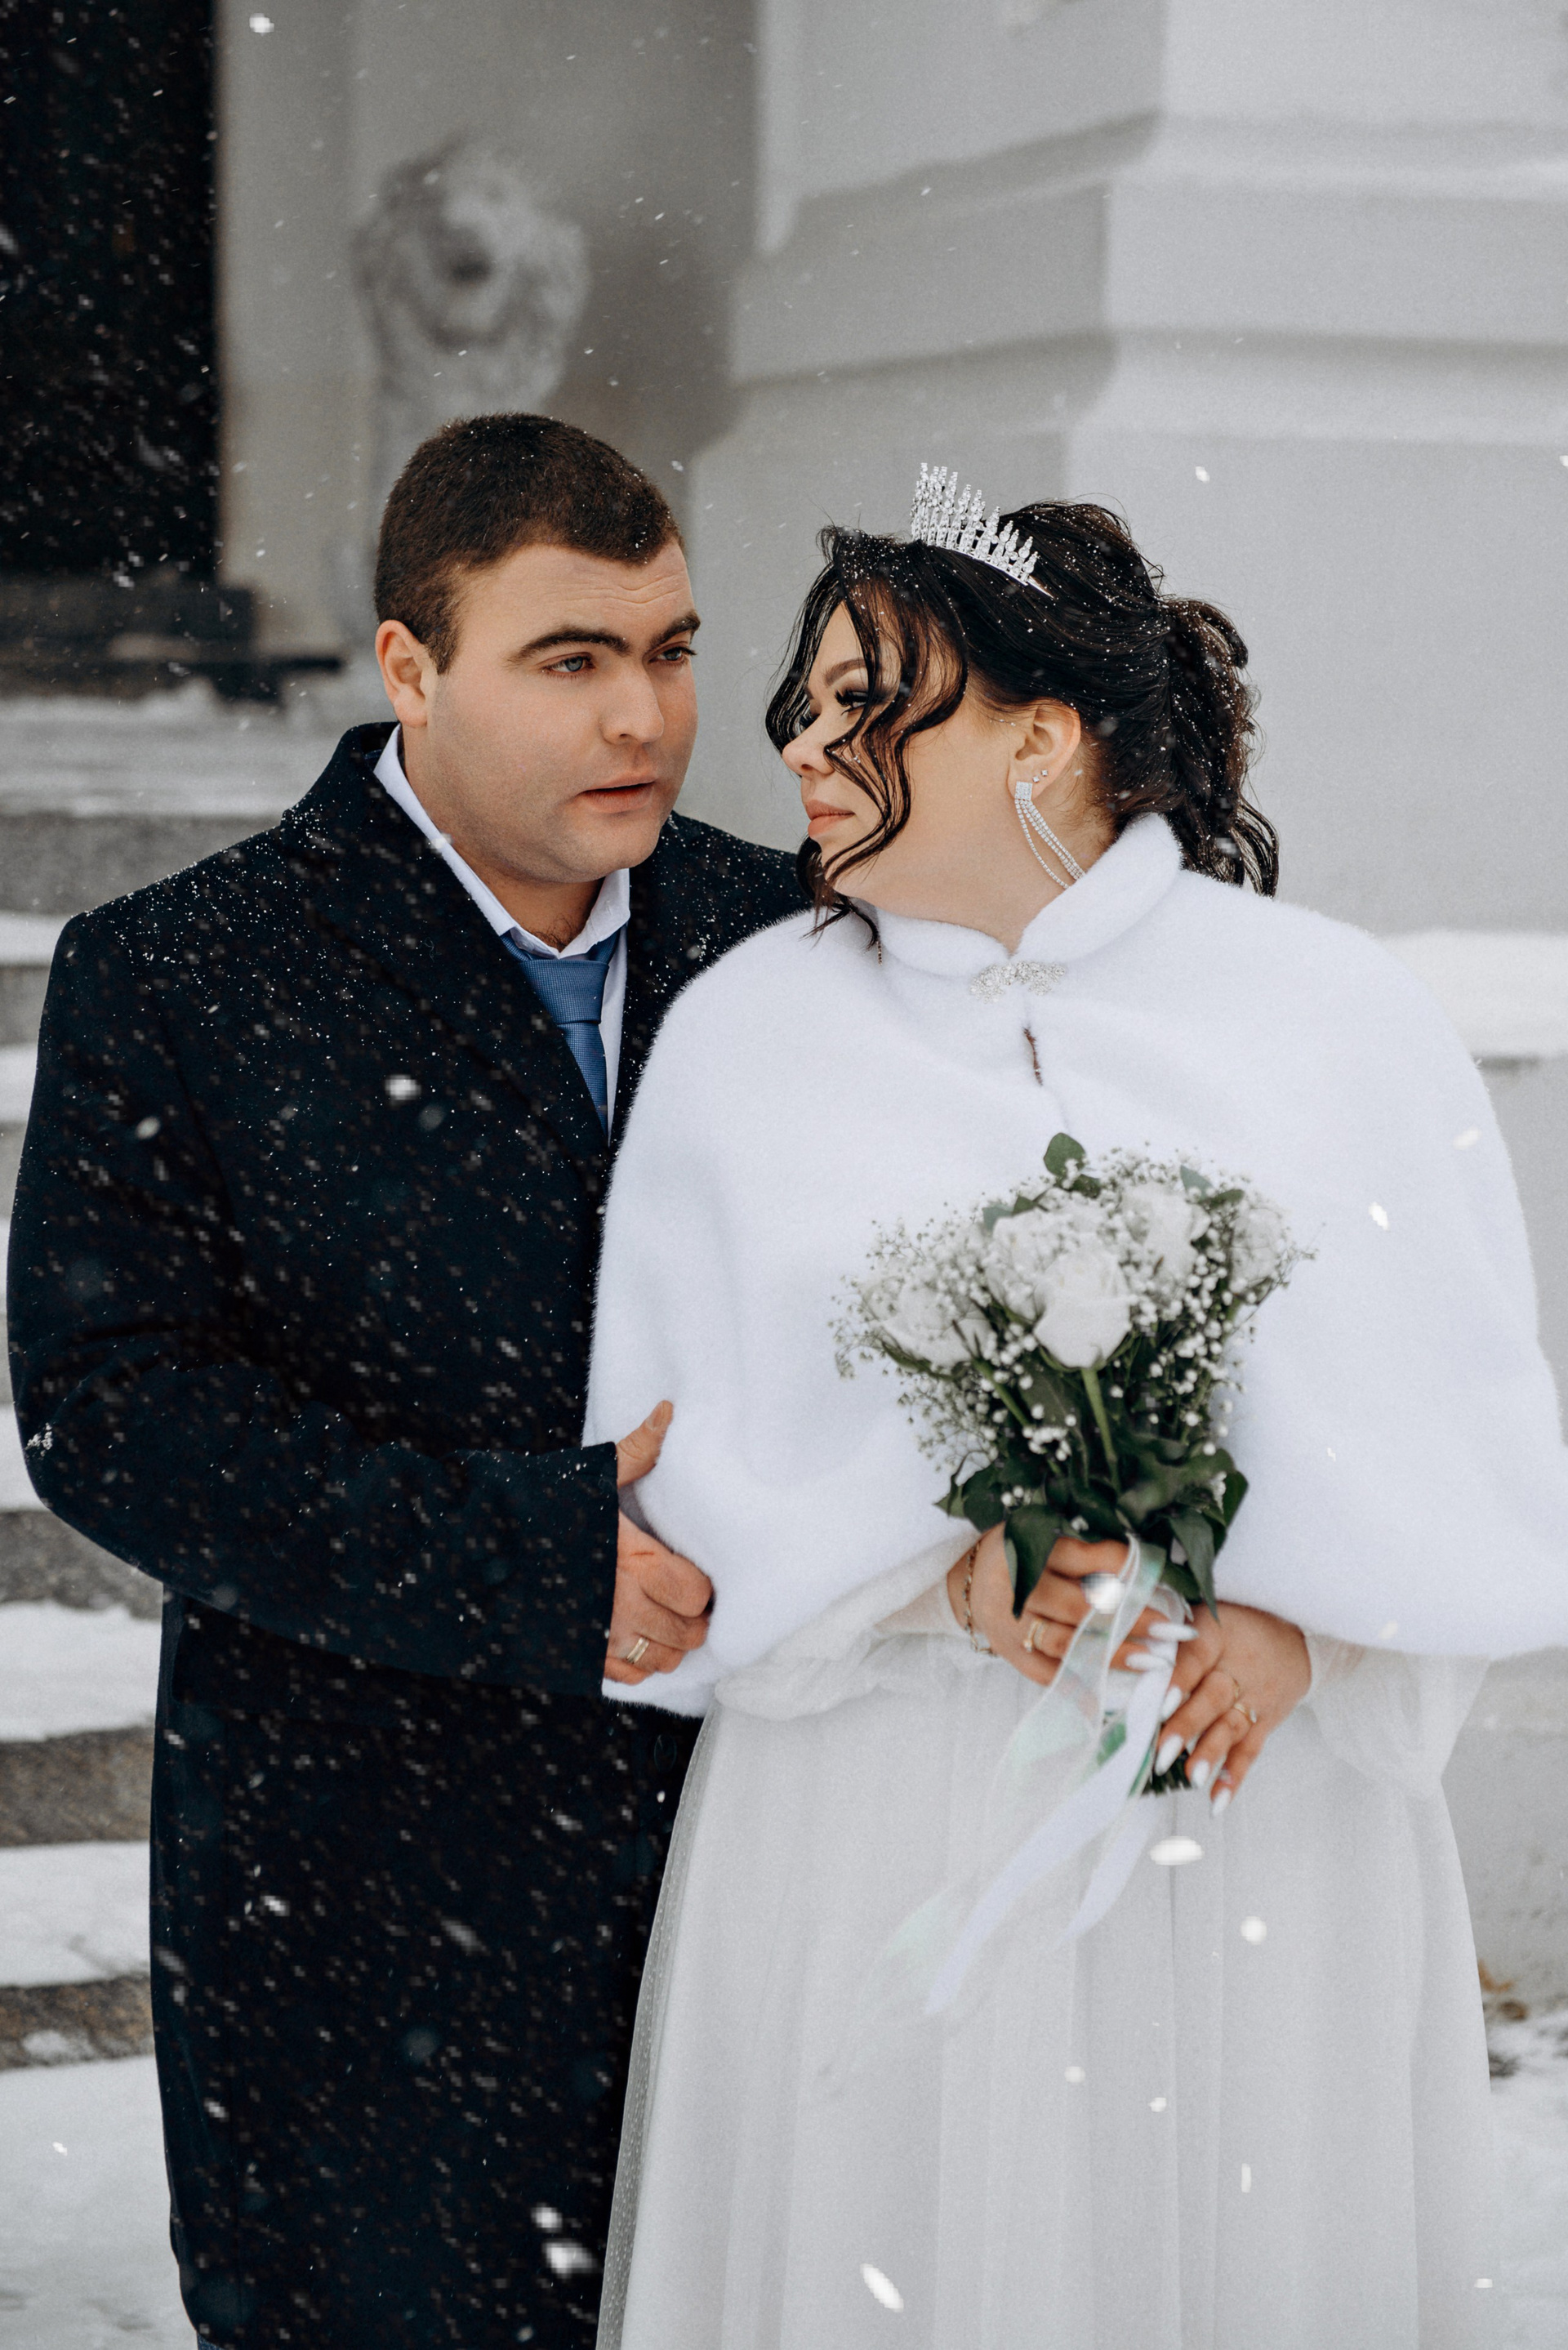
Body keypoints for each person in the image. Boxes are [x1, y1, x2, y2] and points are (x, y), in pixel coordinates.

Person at [581, 480, 1568, 2347]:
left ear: (1044, 738)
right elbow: (671, 1492)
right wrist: (935, 1582)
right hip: (881, 1817)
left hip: (1262, 1830)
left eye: (867, 699)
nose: (800, 742)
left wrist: (1311, 1634)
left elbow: (1459, 1450)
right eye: (803, 700)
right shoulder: (746, 1035)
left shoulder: (1335, 1016)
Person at [7, 413, 800, 2348]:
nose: (643, 714)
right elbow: (116, 1412)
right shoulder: (179, 975)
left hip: (763, 1865)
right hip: (362, 1897)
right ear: (410, 667)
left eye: (672, 649)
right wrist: (533, 1556)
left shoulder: (792, 939)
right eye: (570, 658)